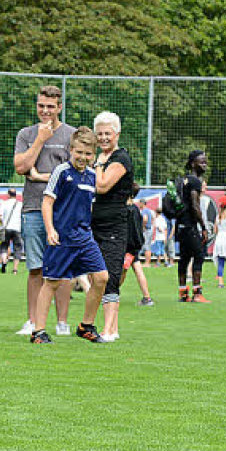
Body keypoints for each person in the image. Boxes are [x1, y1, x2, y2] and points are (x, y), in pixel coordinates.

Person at [31, 127, 107, 345]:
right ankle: (38, 331)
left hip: (84, 238)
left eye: (88, 154)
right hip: (62, 237)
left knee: (101, 278)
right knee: (52, 282)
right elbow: (47, 202)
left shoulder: (93, 176)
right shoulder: (61, 172)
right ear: (70, 150)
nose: (83, 157)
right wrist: (50, 230)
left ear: (93, 154)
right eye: (79, 152)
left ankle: (86, 326)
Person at [14, 86, 75, 336]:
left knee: (63, 268)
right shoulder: (26, 134)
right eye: (41, 105)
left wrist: (40, 176)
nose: (45, 111)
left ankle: (62, 323)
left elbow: (75, 171)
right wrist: (40, 139)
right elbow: (21, 167)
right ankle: (32, 320)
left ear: (59, 107)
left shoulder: (72, 135)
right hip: (33, 208)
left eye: (51, 106)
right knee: (35, 268)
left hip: (64, 211)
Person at [89, 112, 134, 342]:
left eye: (108, 133)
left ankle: (108, 330)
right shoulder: (100, 159)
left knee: (110, 275)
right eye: (100, 134)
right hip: (94, 224)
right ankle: (111, 328)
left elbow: (103, 185)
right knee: (97, 275)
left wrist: (96, 164)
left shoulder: (120, 159)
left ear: (117, 134)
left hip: (114, 225)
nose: (104, 138)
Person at [174, 150, 210, 303]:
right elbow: (195, 206)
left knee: (184, 258)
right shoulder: (195, 181)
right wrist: (203, 226)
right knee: (199, 255)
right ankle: (197, 293)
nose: (205, 165)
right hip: (190, 225)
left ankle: (183, 293)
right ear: (193, 163)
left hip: (180, 225)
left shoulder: (184, 180)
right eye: (202, 162)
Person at [122, 187, 153, 306]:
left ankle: (111, 293)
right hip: (135, 243)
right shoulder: (135, 209)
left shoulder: (126, 209)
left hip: (127, 244)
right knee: (136, 268)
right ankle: (147, 297)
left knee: (123, 270)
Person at [0, 188, 23, 273]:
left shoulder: (4, 203)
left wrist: (3, 223)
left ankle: (4, 261)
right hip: (17, 228)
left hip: (6, 228)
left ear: (8, 194)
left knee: (4, 246)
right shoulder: (20, 204)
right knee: (17, 248)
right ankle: (15, 269)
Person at [214, 200, 226, 288]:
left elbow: (215, 230)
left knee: (221, 261)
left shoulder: (218, 217)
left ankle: (220, 282)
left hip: (219, 239)